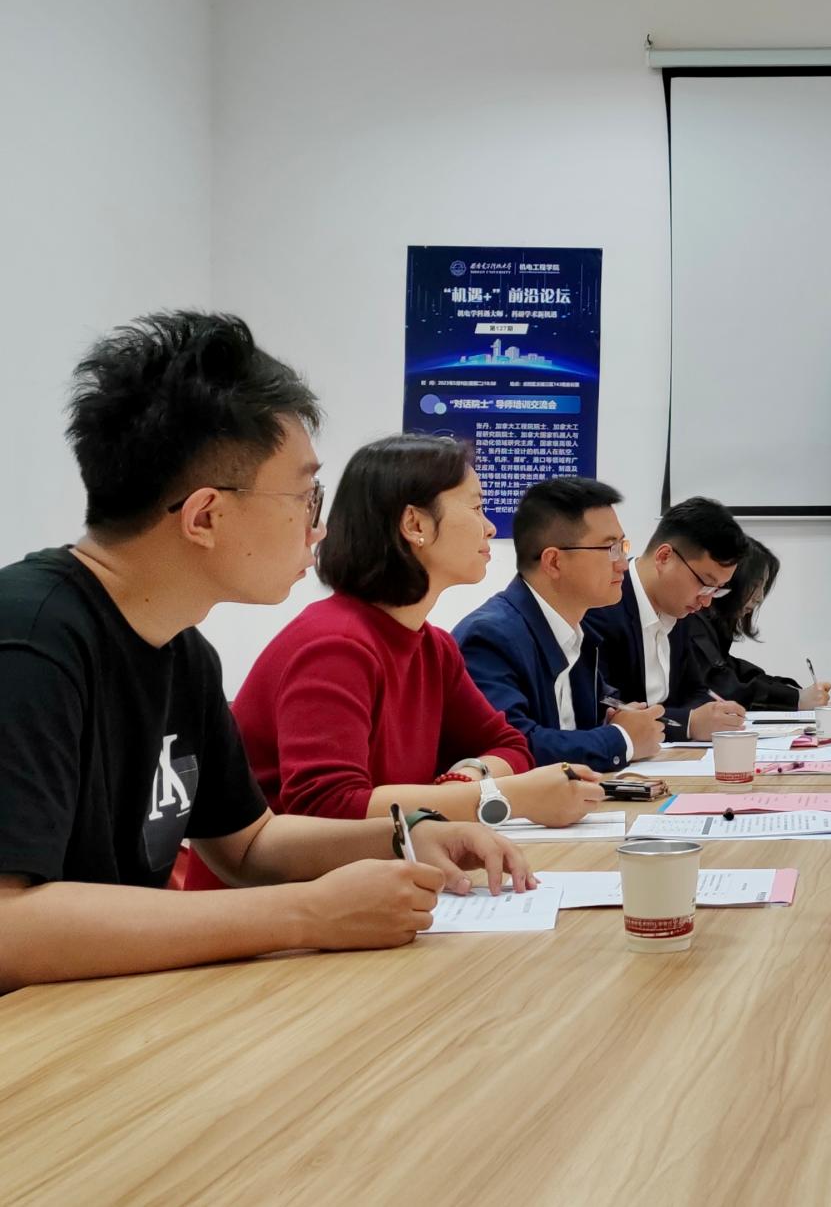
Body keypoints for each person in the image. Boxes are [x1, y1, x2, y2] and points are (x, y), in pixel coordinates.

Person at [0, 312, 530, 990]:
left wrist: (408, 833)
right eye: (306, 496)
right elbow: (10, 924)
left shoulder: (183, 652)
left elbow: (248, 843)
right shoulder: (29, 641)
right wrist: (306, 913)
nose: (318, 528)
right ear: (205, 516)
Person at [222, 434, 603, 847]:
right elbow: (328, 807)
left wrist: (468, 778)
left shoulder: (432, 647)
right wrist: (501, 796)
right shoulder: (335, 646)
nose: (491, 527)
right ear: (415, 525)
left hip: (381, 871)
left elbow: (508, 744)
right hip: (291, 884)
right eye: (476, 508)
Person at [453, 477, 665, 773]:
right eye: (610, 548)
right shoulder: (489, 637)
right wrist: (622, 739)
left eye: (622, 546)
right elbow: (512, 747)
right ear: (553, 562)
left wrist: (620, 719)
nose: (622, 563)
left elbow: (594, 718)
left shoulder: (579, 635)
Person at [588, 495, 752, 741]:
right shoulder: (602, 607)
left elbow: (694, 690)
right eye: (705, 584)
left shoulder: (679, 608)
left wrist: (713, 715)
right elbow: (608, 709)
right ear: (664, 557)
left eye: (716, 590)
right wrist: (688, 724)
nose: (706, 601)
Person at [683, 537, 831, 710]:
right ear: (730, 580)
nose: (759, 597)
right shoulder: (692, 620)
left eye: (763, 587)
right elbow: (723, 688)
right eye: (755, 585)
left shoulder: (712, 626)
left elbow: (737, 673)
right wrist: (795, 698)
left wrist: (793, 691)